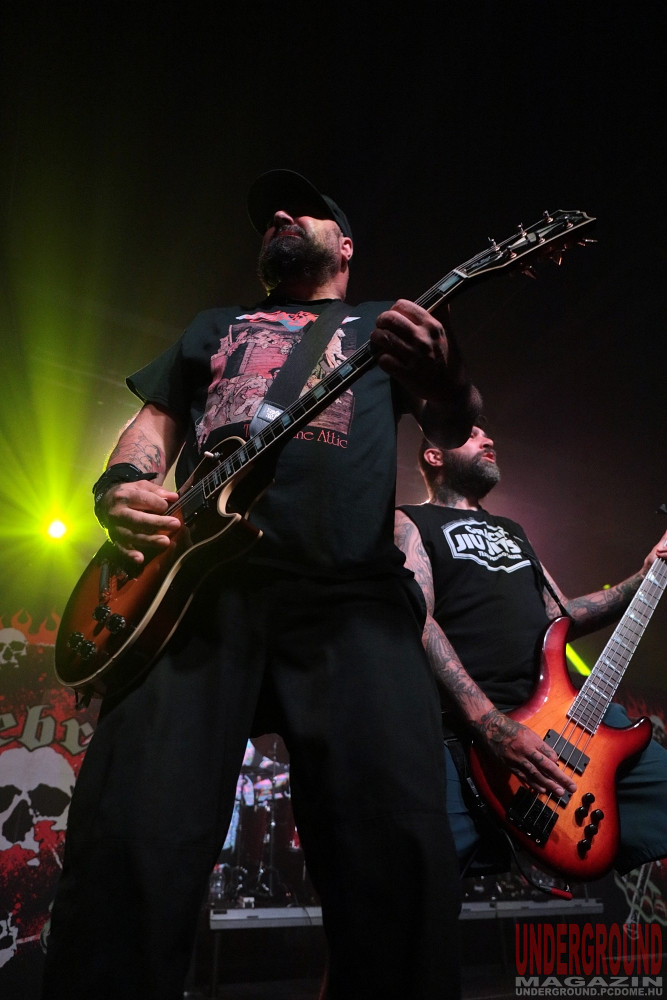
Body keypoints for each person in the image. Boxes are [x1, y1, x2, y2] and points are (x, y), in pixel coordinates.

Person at [42, 170, 482, 1000]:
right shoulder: (215, 326)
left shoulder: (382, 325)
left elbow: (453, 424)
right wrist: (120, 487)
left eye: (301, 209)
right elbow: (154, 423)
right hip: (193, 598)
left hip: (348, 593)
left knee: (394, 855)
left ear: (344, 246)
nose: (278, 216)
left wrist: (449, 377)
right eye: (269, 215)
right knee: (129, 842)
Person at [394, 424, 667, 879]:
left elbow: (560, 617)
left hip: (562, 718)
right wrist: (490, 724)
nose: (488, 440)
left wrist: (645, 576)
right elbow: (418, 619)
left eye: (487, 434)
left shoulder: (512, 530)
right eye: (471, 434)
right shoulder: (410, 521)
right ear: (434, 456)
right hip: (470, 728)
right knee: (416, 881)